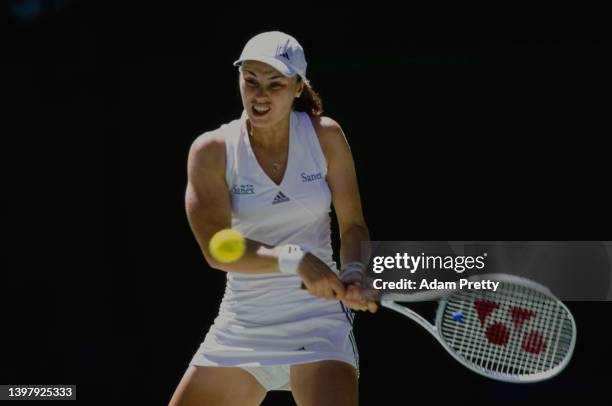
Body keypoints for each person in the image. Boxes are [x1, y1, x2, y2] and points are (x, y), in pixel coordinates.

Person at [169, 31, 377, 406]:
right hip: (242, 327)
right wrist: (293, 258)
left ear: (298, 87)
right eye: (250, 80)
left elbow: (353, 226)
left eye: (275, 84)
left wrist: (355, 271)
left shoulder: (325, 137)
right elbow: (218, 246)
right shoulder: (212, 151)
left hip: (319, 325)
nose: (259, 95)